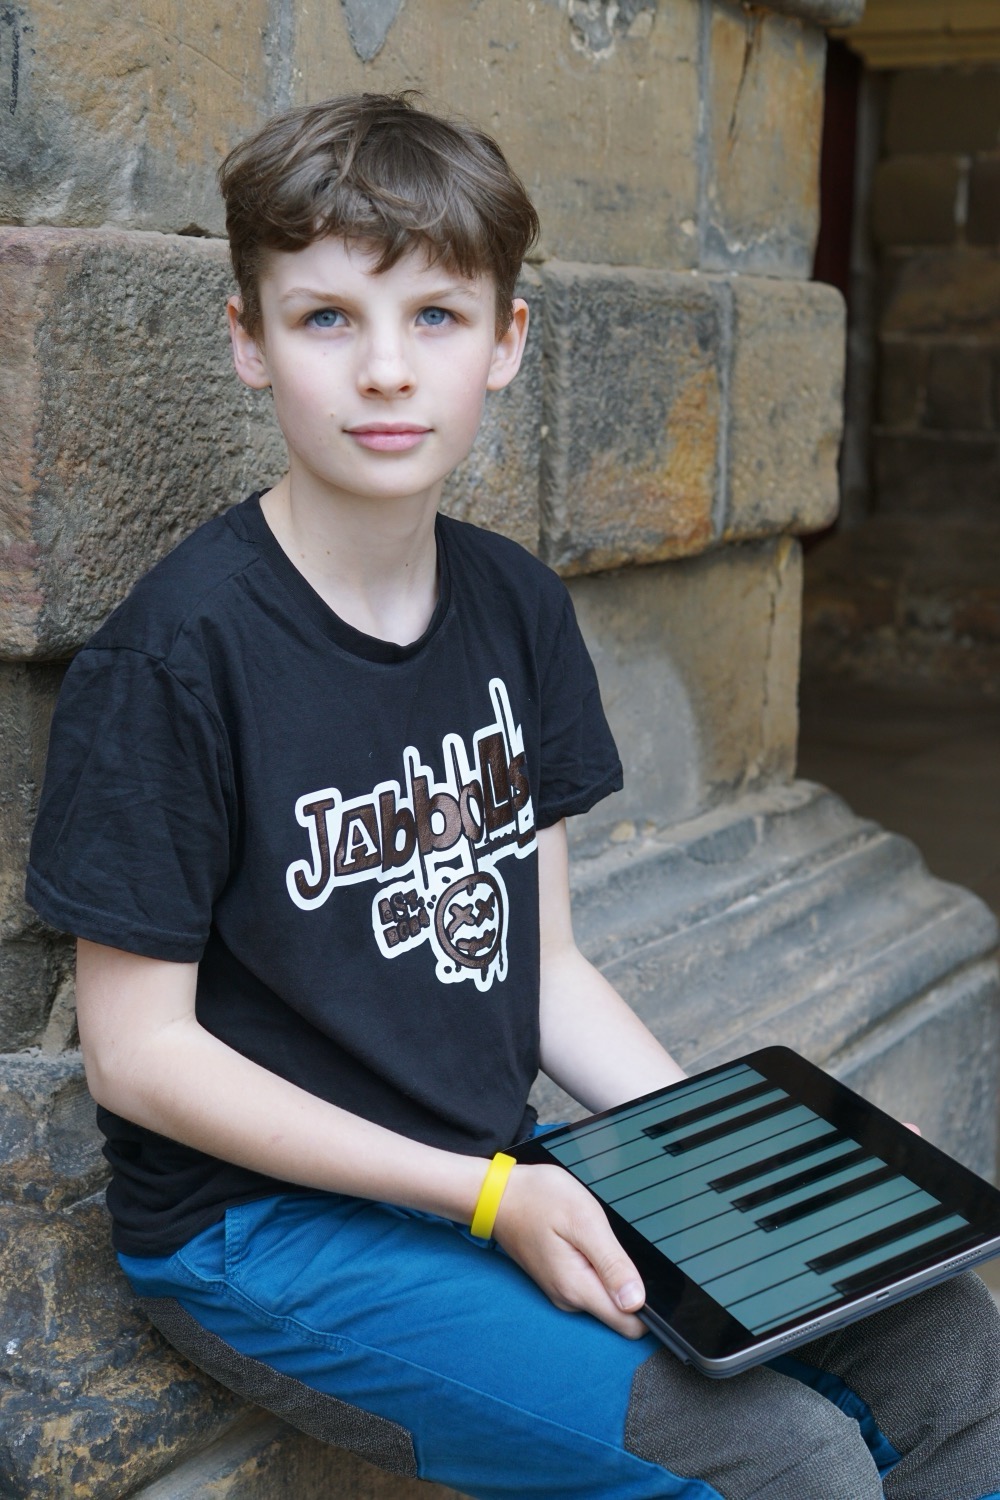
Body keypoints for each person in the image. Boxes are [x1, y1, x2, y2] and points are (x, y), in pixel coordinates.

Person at [26, 93, 1000, 1500]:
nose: (385, 370)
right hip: (262, 1232)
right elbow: (138, 1058)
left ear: (506, 342)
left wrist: (750, 1159)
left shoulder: (515, 609)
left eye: (435, 316)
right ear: (247, 340)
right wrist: (489, 1195)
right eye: (325, 318)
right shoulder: (180, 659)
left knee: (950, 1347)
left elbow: (543, 970)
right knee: (776, 1459)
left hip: (491, 1165)